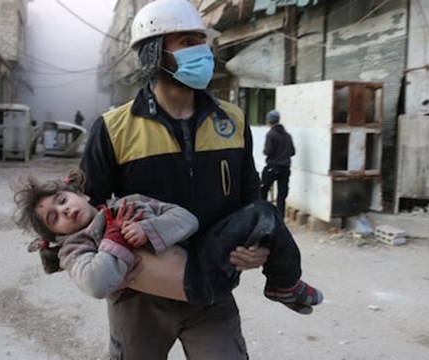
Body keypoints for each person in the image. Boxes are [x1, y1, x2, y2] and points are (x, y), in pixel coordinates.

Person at [79, 0, 307, 358]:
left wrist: (260, 248)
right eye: (187, 42)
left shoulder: (231, 120)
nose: (202, 51)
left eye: (202, 41)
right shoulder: (113, 128)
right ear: (153, 53)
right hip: (140, 296)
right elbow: (86, 209)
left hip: (212, 292)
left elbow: (251, 199)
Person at [12, 169, 323, 312]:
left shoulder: (127, 203)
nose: (65, 210)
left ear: (79, 193)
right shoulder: (74, 249)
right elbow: (95, 283)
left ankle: (284, 284)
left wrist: (149, 230)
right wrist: (116, 237)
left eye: (63, 200)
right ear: (55, 236)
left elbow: (187, 221)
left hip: (208, 263)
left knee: (264, 212)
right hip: (181, 292)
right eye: (55, 217)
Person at [260, 109, 296, 218]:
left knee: (262, 190)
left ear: (269, 121)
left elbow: (267, 152)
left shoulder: (271, 134)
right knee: (282, 195)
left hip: (272, 167)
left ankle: (264, 215)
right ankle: (280, 218)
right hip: (285, 168)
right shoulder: (287, 135)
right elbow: (293, 152)